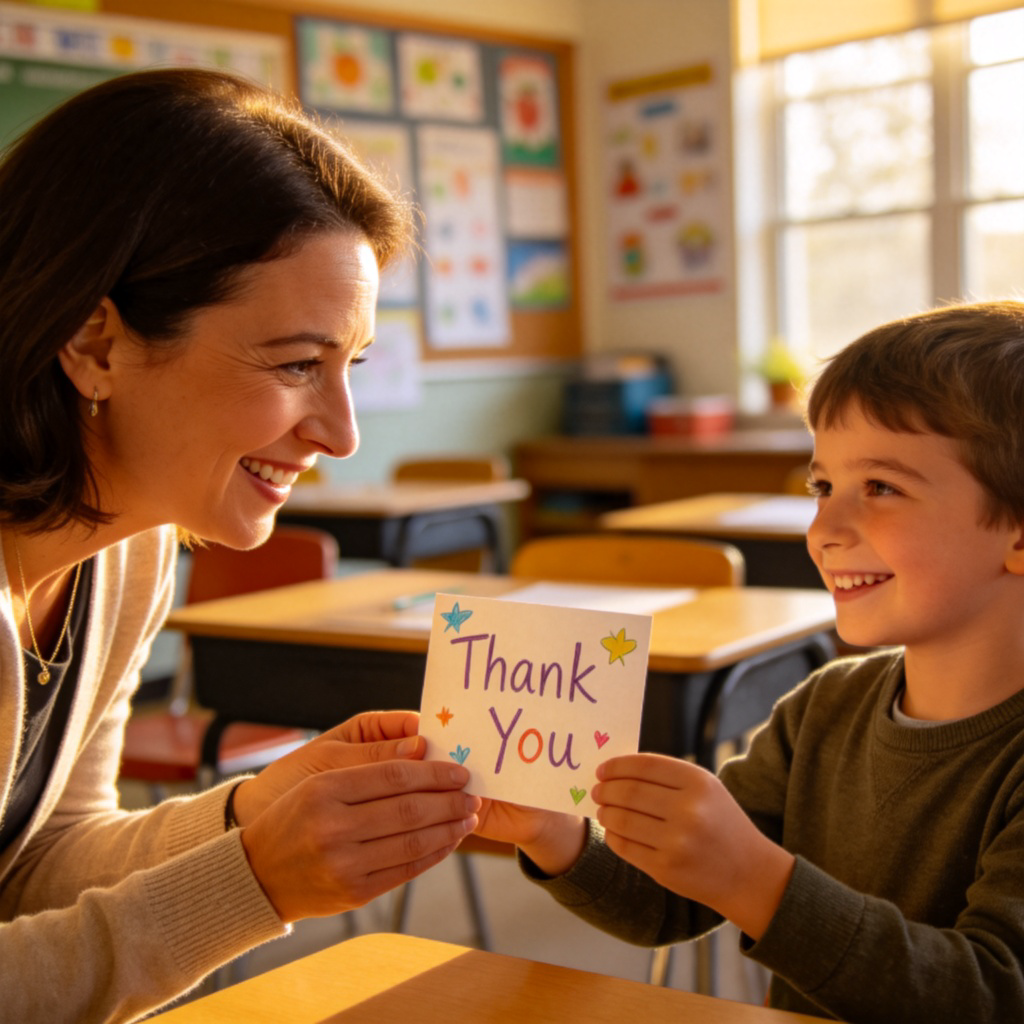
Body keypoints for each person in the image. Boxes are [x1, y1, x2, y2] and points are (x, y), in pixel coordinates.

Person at [0, 68, 480, 1022]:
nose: (341, 434)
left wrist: (249, 815)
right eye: (298, 363)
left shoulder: (123, 551)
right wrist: (253, 882)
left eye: (351, 367)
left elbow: (41, 862)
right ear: (95, 344)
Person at [475, 300, 1024, 1021]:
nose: (823, 529)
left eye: (882, 488)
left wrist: (759, 881)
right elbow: (671, 905)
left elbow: (991, 995)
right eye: (822, 486)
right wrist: (557, 834)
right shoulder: (822, 709)